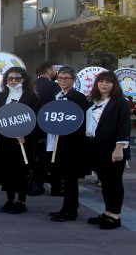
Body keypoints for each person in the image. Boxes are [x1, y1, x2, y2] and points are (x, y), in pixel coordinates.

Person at [85, 71, 131, 230]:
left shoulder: (121, 102)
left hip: (114, 148)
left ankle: (115, 216)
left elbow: (124, 126)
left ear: (114, 85)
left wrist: (119, 148)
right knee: (105, 182)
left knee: (114, 182)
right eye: (101, 81)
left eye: (108, 82)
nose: (104, 84)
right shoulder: (95, 101)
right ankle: (107, 212)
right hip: (97, 147)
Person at [0, 67, 39, 215]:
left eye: (17, 78)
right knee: (7, 170)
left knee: (22, 170)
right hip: (5, 140)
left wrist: (27, 134)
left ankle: (21, 200)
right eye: (10, 78)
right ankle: (10, 199)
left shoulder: (31, 97)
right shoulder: (0, 97)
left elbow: (36, 119)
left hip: (23, 140)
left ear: (23, 80)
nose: (13, 81)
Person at [47, 66, 90, 222]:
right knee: (64, 175)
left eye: (66, 78)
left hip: (72, 144)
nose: (63, 81)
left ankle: (70, 210)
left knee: (70, 177)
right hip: (58, 142)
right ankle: (68, 207)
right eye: (60, 78)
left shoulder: (78, 97)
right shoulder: (57, 95)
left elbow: (81, 121)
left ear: (73, 80)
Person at [32, 62, 62, 196]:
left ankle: (35, 184)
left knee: (36, 157)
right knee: (52, 158)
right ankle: (56, 186)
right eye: (55, 70)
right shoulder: (55, 87)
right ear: (49, 71)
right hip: (49, 128)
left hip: (32, 129)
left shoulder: (31, 85)